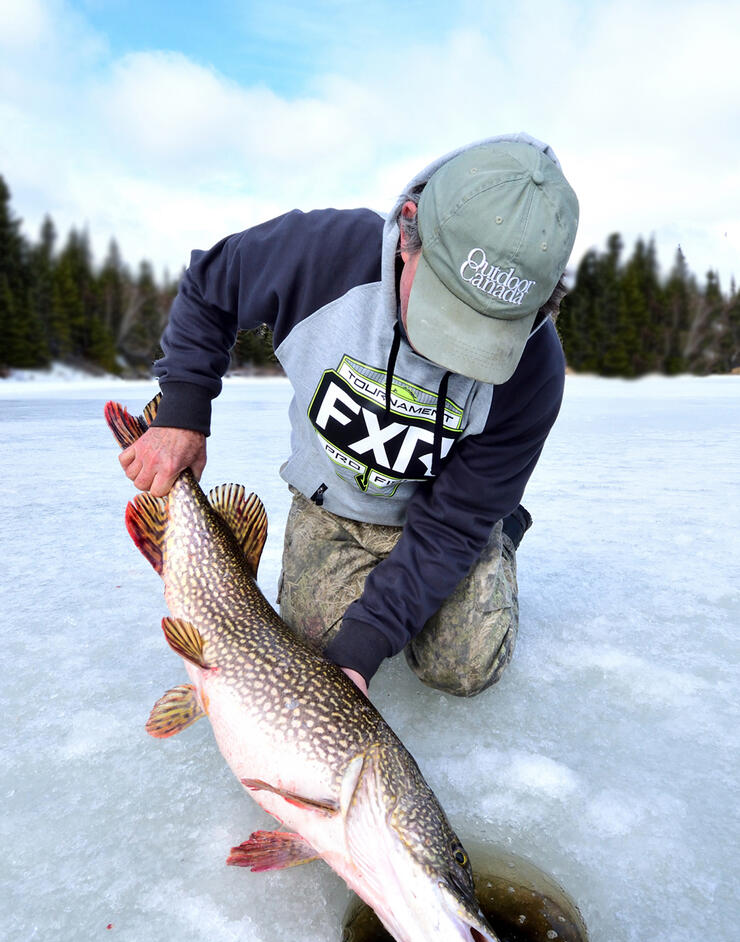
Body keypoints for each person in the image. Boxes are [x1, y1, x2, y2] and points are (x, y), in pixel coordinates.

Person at [119, 133, 579, 698]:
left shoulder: (534, 370)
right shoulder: (320, 256)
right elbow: (213, 287)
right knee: (310, 646)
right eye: (443, 303)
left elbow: (452, 525)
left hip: (439, 515)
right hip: (332, 506)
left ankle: (502, 536)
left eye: (485, 328)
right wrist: (182, 411)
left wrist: (361, 654)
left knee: (463, 667)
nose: (450, 348)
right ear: (409, 231)